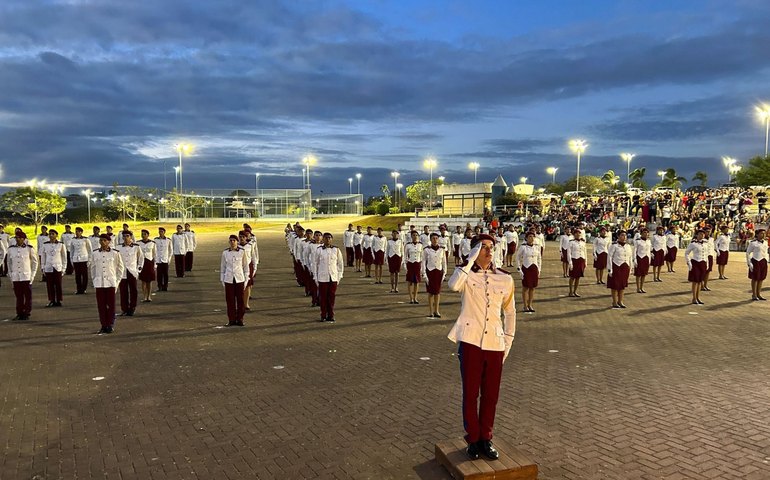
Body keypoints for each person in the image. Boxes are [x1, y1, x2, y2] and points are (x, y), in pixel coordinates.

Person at [447, 233, 515, 461]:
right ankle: (473, 438)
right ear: (474, 250)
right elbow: (453, 285)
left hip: (495, 343)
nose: (488, 250)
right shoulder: (465, 275)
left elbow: (510, 312)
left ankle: (486, 437)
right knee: (470, 393)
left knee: (491, 395)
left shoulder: (504, 278)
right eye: (482, 247)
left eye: (491, 247)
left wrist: (508, 340)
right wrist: (470, 259)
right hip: (471, 341)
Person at [91, 234, 124, 334]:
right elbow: (93, 268)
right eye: (101, 240)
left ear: (109, 242)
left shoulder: (115, 253)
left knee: (111, 305)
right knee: (101, 305)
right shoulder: (95, 253)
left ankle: (110, 324)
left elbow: (120, 268)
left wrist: (117, 281)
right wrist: (95, 280)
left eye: (105, 240)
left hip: (110, 282)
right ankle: (103, 324)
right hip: (99, 283)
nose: (103, 242)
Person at [313, 232, 344, 323]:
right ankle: (323, 314)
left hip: (333, 277)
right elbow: (315, 264)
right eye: (326, 238)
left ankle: (331, 315)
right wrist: (315, 277)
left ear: (332, 239)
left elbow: (340, 264)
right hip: (322, 277)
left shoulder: (336, 250)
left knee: (331, 297)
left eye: (329, 238)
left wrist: (339, 277)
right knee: (323, 297)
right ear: (323, 239)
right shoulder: (319, 250)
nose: (328, 239)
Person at [7, 232, 38, 320]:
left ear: (23, 239)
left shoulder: (29, 249)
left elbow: (35, 262)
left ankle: (27, 312)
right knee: (19, 296)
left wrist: (32, 275)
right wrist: (11, 274)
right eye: (16, 238)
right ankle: (19, 312)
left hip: (26, 276)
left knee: (27, 296)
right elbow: (9, 263)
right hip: (16, 276)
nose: (17, 239)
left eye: (19, 238)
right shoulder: (11, 249)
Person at [220, 234, 249, 326]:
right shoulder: (225, 253)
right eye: (231, 241)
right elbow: (223, 267)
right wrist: (222, 280)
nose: (232, 242)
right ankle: (231, 319)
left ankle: (240, 319)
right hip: (228, 279)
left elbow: (246, 267)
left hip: (239, 279)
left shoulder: (242, 252)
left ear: (237, 242)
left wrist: (246, 280)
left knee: (240, 300)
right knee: (230, 301)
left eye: (234, 240)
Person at [116, 231, 144, 317]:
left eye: (127, 236)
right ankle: (124, 309)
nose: (125, 238)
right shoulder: (118, 247)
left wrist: (138, 269)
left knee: (133, 290)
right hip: (122, 272)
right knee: (123, 291)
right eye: (124, 236)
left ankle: (132, 308)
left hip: (132, 271)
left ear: (131, 237)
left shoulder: (136, 247)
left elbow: (141, 258)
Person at [422, 232, 448, 318]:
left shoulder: (442, 250)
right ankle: (430, 311)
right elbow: (423, 262)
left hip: (438, 272)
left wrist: (444, 273)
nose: (435, 240)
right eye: (433, 238)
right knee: (430, 293)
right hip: (430, 272)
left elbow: (444, 262)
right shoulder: (426, 250)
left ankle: (436, 310)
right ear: (430, 240)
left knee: (437, 292)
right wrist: (424, 274)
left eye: (436, 238)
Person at [516, 231, 541, 313]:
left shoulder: (536, 247)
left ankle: (530, 304)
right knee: (525, 287)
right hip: (526, 268)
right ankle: (525, 305)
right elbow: (517, 258)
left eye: (533, 236)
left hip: (534, 268)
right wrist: (519, 269)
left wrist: (539, 269)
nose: (532, 238)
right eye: (530, 236)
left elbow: (539, 258)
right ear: (526, 238)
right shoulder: (523, 247)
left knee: (532, 287)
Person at [607, 230, 634, 309]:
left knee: (622, 285)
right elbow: (609, 257)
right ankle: (614, 301)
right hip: (616, 266)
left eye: (625, 235)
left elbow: (630, 257)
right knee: (615, 285)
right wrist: (610, 269)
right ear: (618, 236)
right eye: (622, 235)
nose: (624, 237)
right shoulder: (614, 246)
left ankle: (620, 301)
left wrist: (631, 268)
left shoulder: (628, 246)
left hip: (625, 267)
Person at [41, 228, 67, 307]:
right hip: (48, 267)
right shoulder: (45, 245)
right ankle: (51, 300)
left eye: (53, 234)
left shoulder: (61, 244)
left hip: (57, 267)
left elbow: (64, 257)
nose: (51, 235)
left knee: (58, 284)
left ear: (56, 235)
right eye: (50, 234)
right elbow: (43, 256)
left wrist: (63, 268)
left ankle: (58, 300)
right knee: (50, 285)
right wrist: (43, 267)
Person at [685, 229, 708, 305]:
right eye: (700, 234)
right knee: (695, 281)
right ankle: (694, 298)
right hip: (695, 262)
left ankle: (698, 297)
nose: (702, 235)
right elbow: (686, 253)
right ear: (697, 235)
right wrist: (689, 262)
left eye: (703, 234)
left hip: (702, 262)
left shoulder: (705, 243)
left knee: (700, 281)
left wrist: (707, 263)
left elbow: (706, 254)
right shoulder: (693, 244)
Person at [746, 228, 768, 301]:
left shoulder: (765, 242)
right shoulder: (753, 243)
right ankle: (754, 294)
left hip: (763, 261)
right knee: (755, 278)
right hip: (756, 261)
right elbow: (748, 253)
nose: (763, 235)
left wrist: (766, 259)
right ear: (757, 234)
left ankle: (759, 294)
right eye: (761, 233)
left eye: (764, 233)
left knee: (761, 278)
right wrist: (749, 263)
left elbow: (765, 252)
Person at [69, 227, 91, 294]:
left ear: (81, 232)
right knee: (77, 276)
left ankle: (84, 289)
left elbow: (89, 250)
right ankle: (79, 289)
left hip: (84, 259)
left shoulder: (86, 239)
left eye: (78, 231)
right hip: (76, 259)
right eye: (76, 231)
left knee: (84, 275)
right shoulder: (73, 240)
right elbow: (72, 251)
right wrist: (71, 260)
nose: (77, 233)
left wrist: (89, 260)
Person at [404, 231, 423, 304]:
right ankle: (411, 298)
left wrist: (422, 267)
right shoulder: (408, 245)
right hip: (410, 264)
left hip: (417, 264)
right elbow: (405, 256)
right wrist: (405, 265)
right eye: (413, 235)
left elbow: (422, 256)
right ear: (411, 236)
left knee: (416, 281)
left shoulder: (420, 245)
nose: (415, 237)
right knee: (410, 281)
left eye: (416, 235)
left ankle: (415, 297)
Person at [137, 229, 157, 302]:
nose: (143, 235)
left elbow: (155, 254)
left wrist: (155, 264)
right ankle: (144, 296)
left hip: (149, 262)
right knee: (143, 280)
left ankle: (149, 296)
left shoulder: (152, 243)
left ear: (148, 235)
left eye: (145, 234)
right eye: (142, 234)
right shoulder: (138, 243)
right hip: (142, 262)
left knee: (149, 280)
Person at [567, 228, 587, 297]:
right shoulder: (571, 242)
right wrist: (570, 262)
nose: (578, 234)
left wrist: (585, 261)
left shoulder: (583, 242)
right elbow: (569, 253)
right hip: (574, 259)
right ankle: (570, 291)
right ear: (574, 234)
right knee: (572, 277)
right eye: (576, 233)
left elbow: (585, 252)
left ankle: (575, 291)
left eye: (579, 233)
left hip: (581, 260)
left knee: (578, 277)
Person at [633, 228, 652, 294]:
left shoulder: (648, 241)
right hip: (640, 258)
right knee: (638, 274)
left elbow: (649, 250)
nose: (646, 234)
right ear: (641, 233)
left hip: (646, 258)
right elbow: (634, 251)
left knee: (644, 274)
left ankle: (641, 287)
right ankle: (638, 288)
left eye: (647, 232)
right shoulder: (638, 241)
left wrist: (650, 257)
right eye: (644, 232)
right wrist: (634, 259)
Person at [154, 227, 173, 291]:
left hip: (165, 259)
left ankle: (165, 286)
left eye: (162, 231)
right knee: (159, 274)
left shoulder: (168, 240)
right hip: (158, 259)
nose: (160, 233)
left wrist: (169, 259)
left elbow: (171, 250)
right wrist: (155, 259)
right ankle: (159, 286)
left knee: (165, 274)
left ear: (164, 232)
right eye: (159, 231)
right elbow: (154, 250)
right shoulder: (155, 240)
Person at [702, 225, 715, 292]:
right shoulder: (702, 240)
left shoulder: (711, 239)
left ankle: (705, 285)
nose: (708, 233)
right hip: (704, 256)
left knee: (708, 271)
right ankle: (701, 285)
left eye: (709, 231)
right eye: (707, 231)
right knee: (703, 271)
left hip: (710, 255)